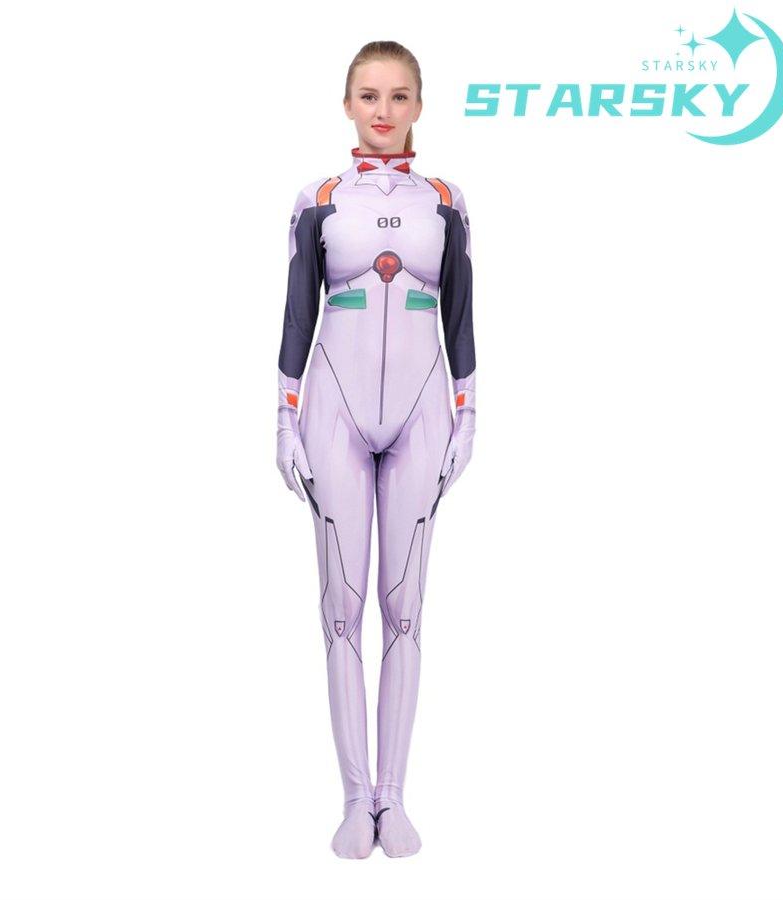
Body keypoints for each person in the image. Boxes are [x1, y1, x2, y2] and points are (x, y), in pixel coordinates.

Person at [276, 40, 476, 859]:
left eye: (398, 96)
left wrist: (469, 413)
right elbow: (298, 313)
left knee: (405, 609)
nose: (383, 111)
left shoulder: (446, 201)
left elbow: (460, 314)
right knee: (340, 608)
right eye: (369, 96)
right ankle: (355, 800)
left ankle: (395, 798)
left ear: (418, 105)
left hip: (423, 414)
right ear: (348, 104)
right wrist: (283, 417)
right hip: (335, 412)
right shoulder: (320, 199)